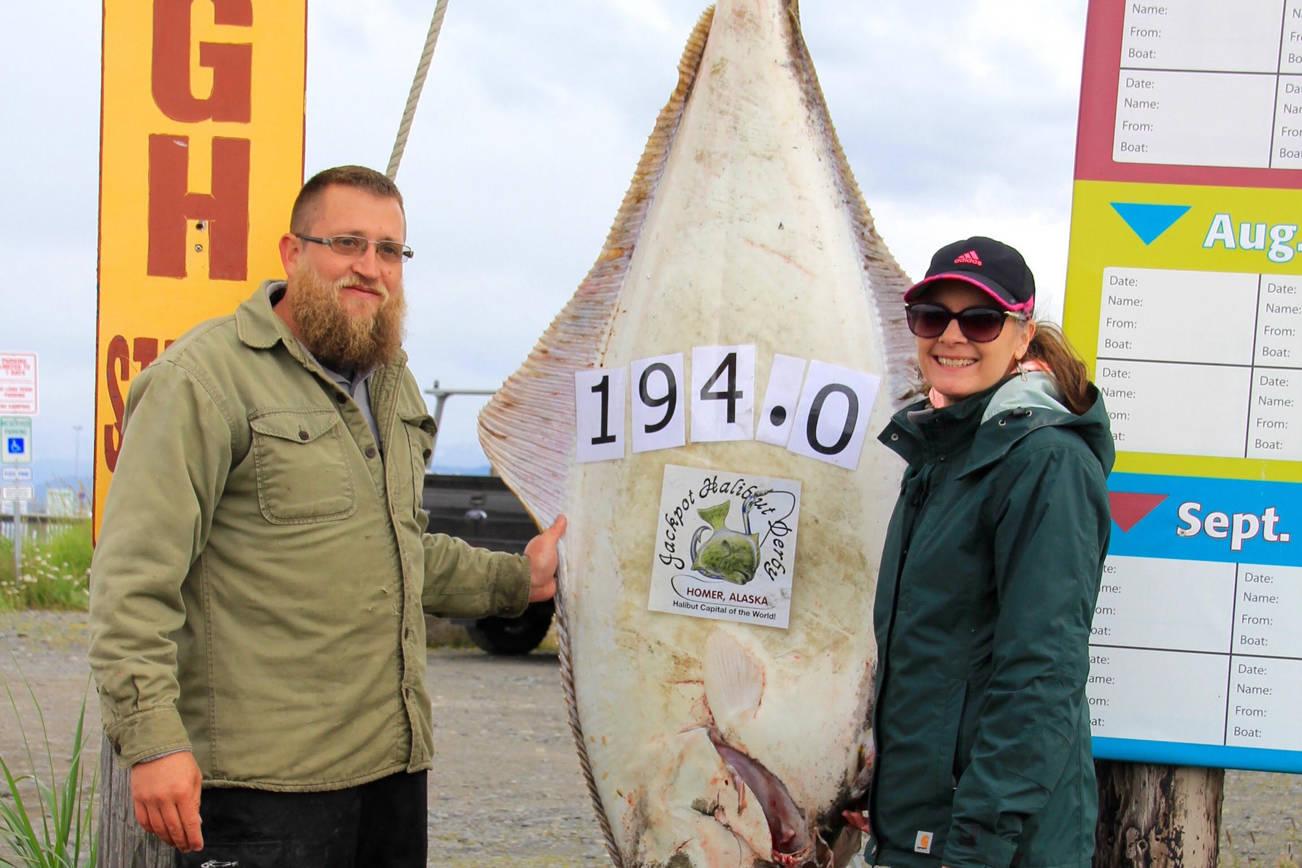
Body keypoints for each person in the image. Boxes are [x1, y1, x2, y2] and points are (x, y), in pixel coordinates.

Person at [88, 165, 565, 867]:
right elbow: (132, 581)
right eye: (347, 243)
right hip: (262, 792)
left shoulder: (390, 382)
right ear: (293, 252)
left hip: (390, 777)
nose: (369, 267)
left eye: (389, 250)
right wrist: (153, 741)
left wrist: (517, 579)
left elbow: (396, 547)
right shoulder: (203, 381)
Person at [866, 236, 1112, 868]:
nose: (952, 336)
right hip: (924, 832)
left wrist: (976, 846)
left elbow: (1042, 674)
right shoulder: (940, 458)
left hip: (993, 846)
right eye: (932, 317)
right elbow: (933, 659)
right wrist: (887, 800)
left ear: (1022, 335)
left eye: (980, 320)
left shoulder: (1047, 462)